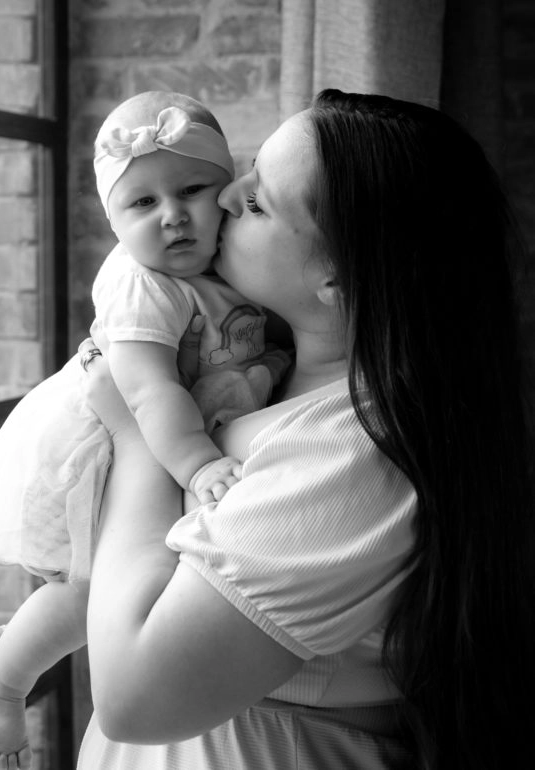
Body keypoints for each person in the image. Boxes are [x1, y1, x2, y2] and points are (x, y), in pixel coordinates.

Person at [75, 89, 535, 769]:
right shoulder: (265, 367)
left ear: (336, 280)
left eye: (259, 202)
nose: (226, 196)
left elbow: (133, 698)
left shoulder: (354, 455)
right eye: (247, 172)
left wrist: (136, 431)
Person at [0, 91, 290, 769]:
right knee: (92, 589)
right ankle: (5, 677)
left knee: (157, 587)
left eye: (192, 190)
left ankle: (13, 649)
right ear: (113, 221)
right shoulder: (142, 282)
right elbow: (147, 390)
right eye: (142, 203)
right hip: (117, 445)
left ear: (229, 190)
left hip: (173, 441)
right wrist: (198, 463)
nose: (172, 215)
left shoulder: (227, 263)